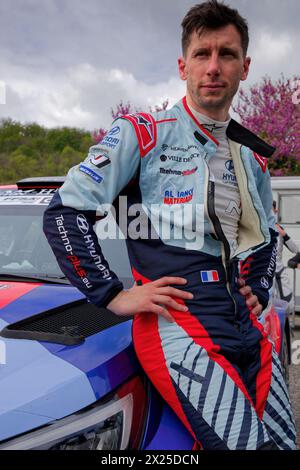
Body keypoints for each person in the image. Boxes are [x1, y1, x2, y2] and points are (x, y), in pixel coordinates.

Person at [43, 0, 296, 450]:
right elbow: (64, 212)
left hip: (246, 322)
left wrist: (258, 286)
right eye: (202, 54)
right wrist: (112, 295)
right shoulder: (143, 133)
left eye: (227, 54)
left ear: (245, 67)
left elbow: (268, 234)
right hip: (179, 318)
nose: (213, 67)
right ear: (183, 65)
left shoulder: (252, 154)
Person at [272, 200, 300, 318]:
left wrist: (284, 235)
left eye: (272, 209)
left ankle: (285, 329)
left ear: (275, 210)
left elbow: (295, 249)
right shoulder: (258, 228)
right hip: (264, 273)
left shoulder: (280, 229)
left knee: (288, 304)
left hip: (279, 271)